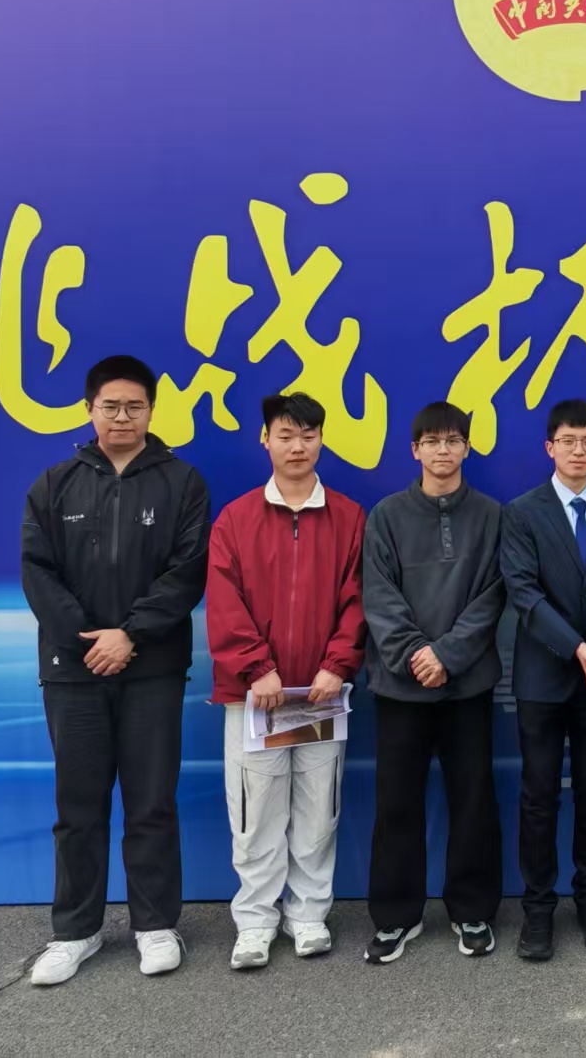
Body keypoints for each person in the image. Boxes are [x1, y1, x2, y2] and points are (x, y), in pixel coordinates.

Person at [20, 355, 211, 986]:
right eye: (111, 406)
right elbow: (38, 572)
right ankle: (75, 931)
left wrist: (130, 634)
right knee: (78, 805)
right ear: (89, 410)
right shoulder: (55, 484)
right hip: (73, 671)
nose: (122, 417)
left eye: (134, 406)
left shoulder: (182, 482)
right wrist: (88, 642)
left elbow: (187, 572)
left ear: (151, 411)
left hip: (151, 667)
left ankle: (156, 925)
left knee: (151, 801)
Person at [205, 393, 366, 971]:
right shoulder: (235, 519)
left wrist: (337, 665)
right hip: (258, 698)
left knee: (319, 810)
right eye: (286, 435)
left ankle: (308, 915)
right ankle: (254, 922)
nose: (298, 447)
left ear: (321, 440)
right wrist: (258, 669)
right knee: (255, 812)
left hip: (320, 694)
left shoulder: (348, 517)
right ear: (265, 440)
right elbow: (223, 601)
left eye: (308, 435)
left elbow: (359, 599)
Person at [362, 402, 504, 964]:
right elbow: (379, 595)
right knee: (396, 804)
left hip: (467, 685)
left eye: (453, 441)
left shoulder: (492, 515)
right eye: (431, 441)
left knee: (473, 799)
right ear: (414, 450)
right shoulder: (387, 516)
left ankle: (473, 911)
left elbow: (493, 594)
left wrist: (448, 654)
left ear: (467, 448)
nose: (442, 451)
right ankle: (396, 916)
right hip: (401, 687)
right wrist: (415, 654)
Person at [499, 399, 586, 962]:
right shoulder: (521, 512)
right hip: (543, 677)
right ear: (549, 447)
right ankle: (537, 910)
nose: (579, 451)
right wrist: (576, 645)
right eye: (568, 441)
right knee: (539, 796)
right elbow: (523, 593)